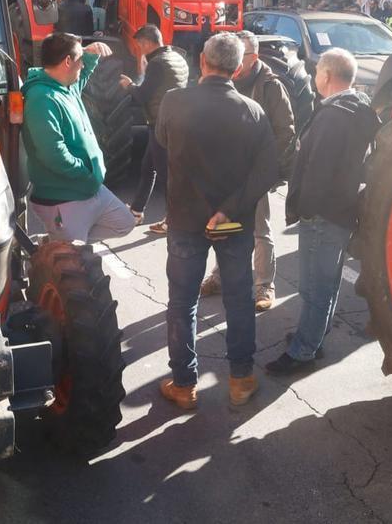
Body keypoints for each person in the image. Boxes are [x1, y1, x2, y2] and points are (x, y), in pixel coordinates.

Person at [155, 33, 278, 410]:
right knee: (239, 300)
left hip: (186, 219)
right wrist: (229, 207)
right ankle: (240, 379)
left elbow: (162, 142)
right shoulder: (252, 111)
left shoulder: (174, 102)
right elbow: (267, 171)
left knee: (182, 302)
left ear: (203, 63)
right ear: (238, 69)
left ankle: (183, 383)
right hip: (233, 222)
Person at [266, 48, 379, 375]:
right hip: (341, 211)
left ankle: (303, 351)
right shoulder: (358, 107)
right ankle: (313, 336)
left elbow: (318, 169)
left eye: (317, 72)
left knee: (315, 287)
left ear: (327, 76)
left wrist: (305, 208)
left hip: (323, 214)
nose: (314, 77)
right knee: (326, 285)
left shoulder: (333, 115)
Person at [200, 31, 298, 312]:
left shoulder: (270, 86)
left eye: (238, 56)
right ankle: (218, 277)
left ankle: (264, 285)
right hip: (226, 173)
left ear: (251, 58)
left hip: (255, 174)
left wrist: (266, 170)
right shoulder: (227, 80)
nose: (231, 62)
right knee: (224, 225)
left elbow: (285, 131)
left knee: (259, 230)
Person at [21, 32, 136, 243]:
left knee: (124, 223)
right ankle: (56, 243)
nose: (82, 65)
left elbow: (81, 77)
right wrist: (85, 174)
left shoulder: (65, 87)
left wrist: (89, 55)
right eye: (80, 60)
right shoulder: (42, 98)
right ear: (67, 61)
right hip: (66, 196)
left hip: (88, 188)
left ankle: (55, 241)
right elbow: (53, 153)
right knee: (68, 263)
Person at [119, 24, 188, 230]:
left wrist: (129, 85)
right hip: (172, 120)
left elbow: (142, 96)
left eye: (140, 45)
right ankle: (137, 211)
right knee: (148, 168)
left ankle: (173, 220)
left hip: (160, 124)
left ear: (147, 42)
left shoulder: (157, 63)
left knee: (165, 174)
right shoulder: (177, 58)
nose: (140, 49)